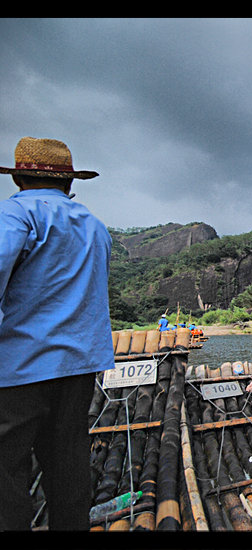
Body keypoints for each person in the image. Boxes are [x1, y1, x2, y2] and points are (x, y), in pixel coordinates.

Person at [0, 137, 114, 530]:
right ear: (70, 183)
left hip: (19, 368)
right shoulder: (95, 227)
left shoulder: (14, 214)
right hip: (79, 366)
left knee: (5, 473)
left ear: (18, 177)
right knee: (68, 465)